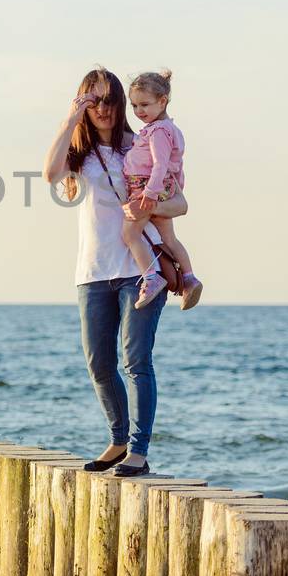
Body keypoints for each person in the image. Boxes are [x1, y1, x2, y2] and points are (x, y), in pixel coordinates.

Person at [43, 66, 187, 478]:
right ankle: (118, 440)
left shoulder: (139, 143)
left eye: (110, 100)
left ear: (122, 103)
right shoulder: (80, 153)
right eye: (94, 100)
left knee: (136, 360)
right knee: (99, 364)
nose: (103, 108)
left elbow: (180, 204)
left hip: (141, 269)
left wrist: (146, 206)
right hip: (92, 271)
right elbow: (50, 175)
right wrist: (72, 117)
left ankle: (138, 451)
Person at [121, 70, 203, 311]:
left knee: (129, 233)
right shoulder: (168, 129)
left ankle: (151, 277)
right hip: (160, 187)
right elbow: (175, 167)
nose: (139, 111)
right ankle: (189, 279)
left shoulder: (158, 131)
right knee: (169, 238)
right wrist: (171, 188)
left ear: (163, 101)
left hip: (146, 187)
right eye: (134, 105)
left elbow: (160, 164)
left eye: (145, 104)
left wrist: (150, 193)